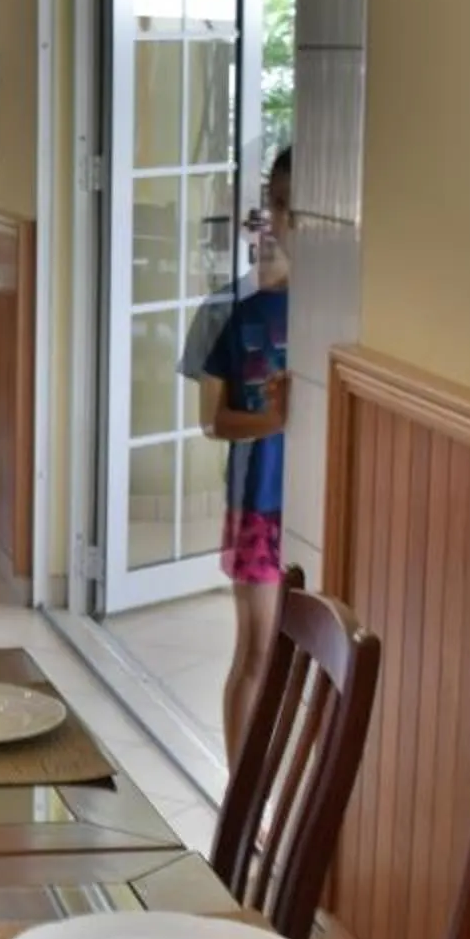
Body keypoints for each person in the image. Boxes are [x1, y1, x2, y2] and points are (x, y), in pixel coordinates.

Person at [186, 150, 294, 759]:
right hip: (258, 505)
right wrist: (275, 419)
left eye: (291, 208)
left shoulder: (337, 312)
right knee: (257, 650)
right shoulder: (227, 312)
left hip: (319, 505)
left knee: (307, 656)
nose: (279, 221)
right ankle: (241, 797)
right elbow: (212, 420)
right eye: (274, 204)